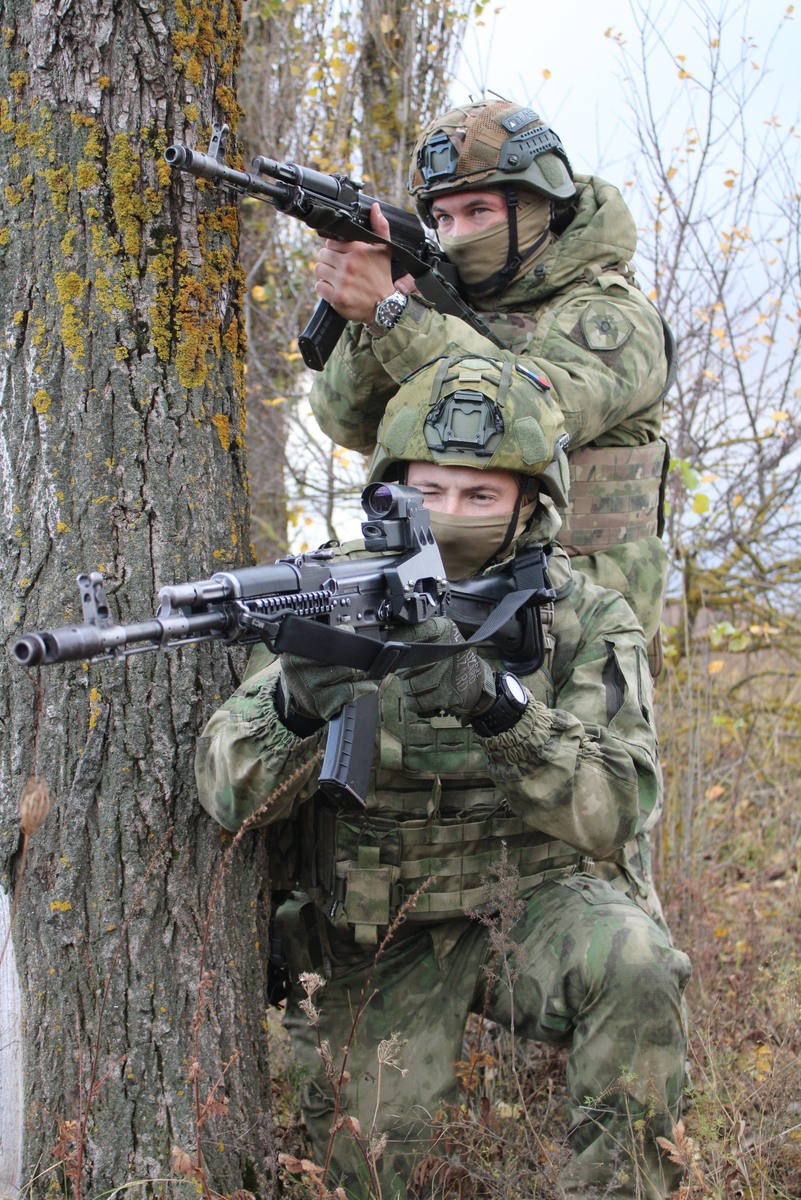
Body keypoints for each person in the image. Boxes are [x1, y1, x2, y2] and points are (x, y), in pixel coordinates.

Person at [195, 355, 690, 1200]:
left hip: (529, 902)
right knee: (369, 1170)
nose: (450, 515)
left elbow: (619, 805)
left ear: (531, 501)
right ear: (390, 491)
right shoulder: (327, 591)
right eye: (428, 491)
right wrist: (294, 706)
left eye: (480, 494)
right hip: (374, 930)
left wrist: (497, 708)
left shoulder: (581, 613)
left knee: (637, 963)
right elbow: (226, 794)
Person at [308, 99, 674, 670]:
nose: (458, 235)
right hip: (435, 598)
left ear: (539, 205)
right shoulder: (437, 301)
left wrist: (393, 315)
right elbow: (346, 422)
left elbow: (532, 417)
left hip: (579, 619)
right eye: (444, 218)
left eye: (479, 210)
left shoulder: (610, 315)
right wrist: (375, 313)